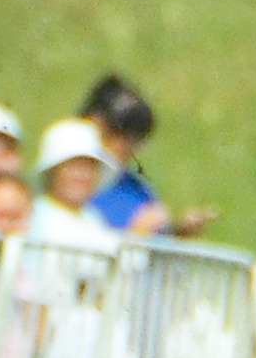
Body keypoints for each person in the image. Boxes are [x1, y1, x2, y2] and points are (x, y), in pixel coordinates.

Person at [79, 76, 183, 237]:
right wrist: (134, 235)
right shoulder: (73, 182)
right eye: (122, 136)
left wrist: (178, 232)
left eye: (137, 139)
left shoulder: (136, 189)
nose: (132, 148)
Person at [28, 118, 126, 247]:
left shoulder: (93, 218)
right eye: (72, 166)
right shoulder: (35, 216)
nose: (80, 176)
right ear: (52, 171)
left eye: (88, 167)